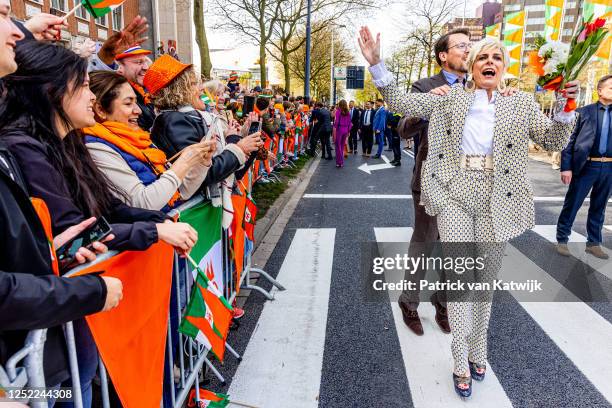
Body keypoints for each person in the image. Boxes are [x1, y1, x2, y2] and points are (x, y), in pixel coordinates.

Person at [359, 28, 579, 398]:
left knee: (484, 285)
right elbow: (400, 101)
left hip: (499, 196)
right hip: (455, 191)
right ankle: (461, 359)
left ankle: (480, 349)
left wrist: (566, 109)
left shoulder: (520, 103)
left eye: (496, 58)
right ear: (471, 67)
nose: (489, 63)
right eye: (482, 57)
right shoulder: (447, 99)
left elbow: (554, 140)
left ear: (504, 68)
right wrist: (377, 64)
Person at [0, 41, 197, 408]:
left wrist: (156, 220)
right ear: (53, 92)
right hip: (50, 328)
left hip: (71, 320)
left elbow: (107, 206)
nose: (92, 95)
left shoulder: (68, 141)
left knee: (84, 384)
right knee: (70, 394)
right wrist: (153, 230)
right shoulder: (24, 147)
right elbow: (74, 228)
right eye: (85, 86)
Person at [397, 28, 471, 336]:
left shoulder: (478, 88)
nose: (469, 51)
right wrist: (426, 105)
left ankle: (443, 305)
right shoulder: (425, 86)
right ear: (444, 55)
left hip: (467, 183)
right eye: (462, 46)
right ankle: (409, 303)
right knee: (425, 244)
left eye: (470, 46)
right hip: (430, 181)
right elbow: (403, 129)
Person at [84, 71, 216, 212]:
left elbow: (181, 193)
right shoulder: (96, 147)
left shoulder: (140, 139)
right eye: (128, 103)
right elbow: (143, 203)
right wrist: (184, 163)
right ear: (100, 110)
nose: (138, 111)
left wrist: (201, 163)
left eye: (136, 102)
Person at [556, 74, 612, 260]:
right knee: (573, 203)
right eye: (610, 87)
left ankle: (593, 243)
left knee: (599, 206)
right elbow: (568, 142)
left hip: (609, 168)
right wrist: (566, 167)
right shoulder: (582, 113)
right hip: (586, 165)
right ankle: (562, 239)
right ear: (600, 90)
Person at [333, 100, 352, 168]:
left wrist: (334, 127)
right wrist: (348, 131)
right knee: (342, 145)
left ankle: (339, 162)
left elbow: (337, 121)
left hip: (340, 130)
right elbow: (350, 123)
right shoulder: (348, 112)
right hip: (346, 130)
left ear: (340, 104)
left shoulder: (338, 111)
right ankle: (341, 162)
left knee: (338, 146)